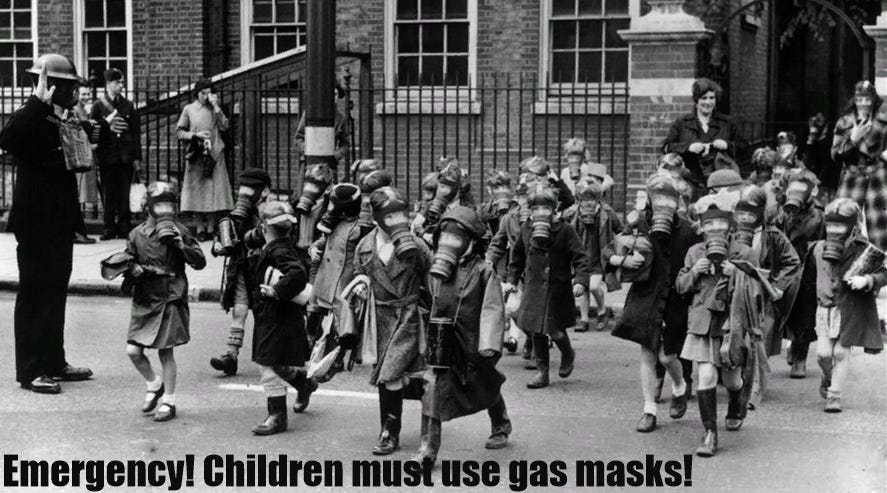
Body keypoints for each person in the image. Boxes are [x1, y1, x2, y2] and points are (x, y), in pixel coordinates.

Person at [0, 54, 96, 394]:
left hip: (59, 221)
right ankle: (31, 370)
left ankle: (54, 362)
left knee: (55, 293)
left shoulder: (62, 118)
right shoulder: (31, 117)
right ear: (52, 87)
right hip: (35, 223)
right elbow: (7, 139)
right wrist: (35, 102)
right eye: (69, 86)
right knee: (34, 294)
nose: (75, 92)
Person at [413, 206, 512, 466]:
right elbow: (426, 299)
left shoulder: (483, 271)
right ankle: (428, 448)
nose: (449, 243)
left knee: (484, 383)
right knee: (432, 387)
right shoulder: (435, 269)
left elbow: (492, 308)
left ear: (471, 242)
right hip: (441, 339)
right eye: (444, 237)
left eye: (456, 238)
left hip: (472, 340)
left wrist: (489, 343)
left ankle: (501, 422)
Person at [606, 173, 700, 432]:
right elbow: (610, 248)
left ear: (678, 202)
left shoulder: (689, 230)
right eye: (658, 198)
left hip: (676, 300)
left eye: (669, 199)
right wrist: (622, 260)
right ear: (649, 199)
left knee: (668, 356)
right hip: (646, 296)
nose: (663, 204)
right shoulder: (638, 225)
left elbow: (700, 258)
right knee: (648, 353)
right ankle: (649, 410)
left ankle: (679, 386)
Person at [351, 186, 432, 455]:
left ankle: (389, 432)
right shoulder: (365, 247)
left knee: (390, 374)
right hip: (379, 320)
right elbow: (358, 273)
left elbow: (433, 280)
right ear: (377, 218)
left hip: (408, 317)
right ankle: (395, 425)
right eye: (390, 216)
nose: (398, 221)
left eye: (402, 215)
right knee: (394, 377)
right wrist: (360, 285)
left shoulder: (417, 246)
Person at [676, 192, 754, 457]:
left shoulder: (743, 252)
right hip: (703, 322)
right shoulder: (694, 252)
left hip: (732, 324)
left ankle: (735, 398)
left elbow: (760, 289)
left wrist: (738, 274)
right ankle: (710, 433)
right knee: (706, 376)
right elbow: (680, 287)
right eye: (708, 224)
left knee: (731, 379)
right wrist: (694, 272)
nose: (715, 228)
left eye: (720, 222)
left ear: (731, 224)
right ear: (701, 227)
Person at [122, 182, 206, 422]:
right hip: (146, 296)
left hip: (171, 294)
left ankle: (169, 401)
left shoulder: (181, 231)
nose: (165, 210)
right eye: (159, 205)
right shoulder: (137, 234)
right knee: (133, 351)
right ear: (148, 207)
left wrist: (181, 245)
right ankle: (154, 384)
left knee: (165, 352)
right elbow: (127, 260)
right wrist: (132, 269)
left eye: (169, 205)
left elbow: (200, 262)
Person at [506, 184, 589, 389]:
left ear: (554, 209)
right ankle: (542, 372)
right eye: (535, 209)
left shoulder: (565, 230)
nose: (540, 213)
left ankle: (568, 352)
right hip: (534, 286)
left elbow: (580, 257)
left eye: (545, 208)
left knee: (556, 331)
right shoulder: (526, 228)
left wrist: (580, 280)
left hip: (557, 288)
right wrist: (512, 280)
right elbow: (517, 257)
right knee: (536, 331)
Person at [809, 198, 886, 413]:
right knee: (823, 355)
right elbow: (807, 279)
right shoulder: (818, 249)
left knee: (841, 353)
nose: (834, 230)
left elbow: (883, 273)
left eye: (840, 226)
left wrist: (868, 280)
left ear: (853, 226)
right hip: (824, 309)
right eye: (831, 225)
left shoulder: (864, 250)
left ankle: (834, 396)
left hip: (849, 309)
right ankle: (827, 377)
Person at [247, 201, 314, 435]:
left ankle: (277, 416)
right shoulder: (282, 246)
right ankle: (304, 383)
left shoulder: (278, 250)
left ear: (264, 226)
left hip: (277, 316)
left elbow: (297, 273)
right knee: (277, 362)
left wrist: (277, 291)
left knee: (268, 365)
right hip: (277, 316)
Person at [209, 168, 271, 376]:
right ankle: (231, 355)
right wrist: (218, 244)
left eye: (250, 189)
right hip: (243, 268)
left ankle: (270, 357)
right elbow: (223, 237)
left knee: (266, 314)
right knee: (239, 310)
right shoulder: (237, 215)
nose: (245, 194)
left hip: (266, 270)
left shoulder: (273, 212)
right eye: (242, 189)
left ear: (264, 191)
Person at [773, 169, 825, 378]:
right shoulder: (780, 215)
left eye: (802, 189)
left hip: (808, 273)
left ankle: (800, 356)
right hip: (786, 270)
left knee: (805, 314)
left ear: (812, 192)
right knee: (787, 313)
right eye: (792, 189)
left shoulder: (819, 217)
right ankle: (793, 344)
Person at [663, 78, 745, 199]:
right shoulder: (682, 123)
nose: (708, 102)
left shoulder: (727, 123)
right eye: (704, 98)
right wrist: (688, 147)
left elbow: (743, 146)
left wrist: (727, 145)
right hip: (690, 183)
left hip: (721, 185)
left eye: (712, 98)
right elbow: (666, 147)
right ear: (696, 100)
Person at [177, 77, 234, 241]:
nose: (206, 97)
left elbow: (225, 126)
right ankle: (200, 228)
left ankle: (210, 227)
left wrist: (216, 107)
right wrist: (195, 135)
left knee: (213, 191)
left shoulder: (215, 109)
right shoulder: (189, 109)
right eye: (203, 93)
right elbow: (179, 132)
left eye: (209, 93)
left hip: (214, 153)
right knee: (197, 191)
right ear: (197, 93)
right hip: (197, 153)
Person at [562, 178, 622, 332]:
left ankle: (602, 311)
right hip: (580, 257)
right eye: (584, 199)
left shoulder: (607, 212)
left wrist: (616, 250)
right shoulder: (571, 213)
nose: (588, 203)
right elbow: (562, 229)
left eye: (592, 199)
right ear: (579, 200)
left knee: (594, 286)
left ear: (597, 199)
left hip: (599, 257)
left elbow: (620, 230)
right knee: (583, 288)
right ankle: (584, 320)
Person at [90, 68, 141, 240]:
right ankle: (108, 228)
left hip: (125, 156)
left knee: (124, 194)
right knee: (108, 193)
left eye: (122, 82)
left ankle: (124, 227)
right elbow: (94, 130)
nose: (121, 85)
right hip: (107, 156)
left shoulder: (129, 105)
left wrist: (137, 157)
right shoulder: (98, 105)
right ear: (108, 84)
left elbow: (135, 133)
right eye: (117, 82)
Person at [71, 85, 99, 244]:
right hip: (79, 157)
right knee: (77, 194)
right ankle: (77, 232)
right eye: (83, 94)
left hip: (85, 156)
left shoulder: (83, 109)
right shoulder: (74, 110)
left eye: (88, 93)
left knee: (80, 195)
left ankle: (79, 231)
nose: (86, 96)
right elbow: (76, 132)